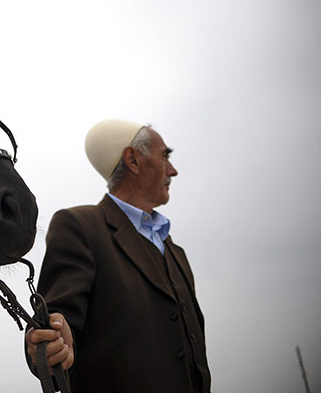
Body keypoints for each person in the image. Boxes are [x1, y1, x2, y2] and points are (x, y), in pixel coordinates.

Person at [25, 119, 211, 393]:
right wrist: (50, 342)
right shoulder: (80, 226)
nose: (173, 170)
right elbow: (53, 327)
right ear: (133, 160)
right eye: (164, 157)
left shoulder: (176, 252)